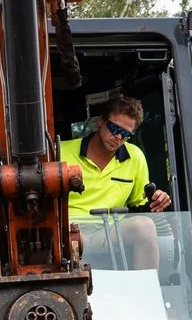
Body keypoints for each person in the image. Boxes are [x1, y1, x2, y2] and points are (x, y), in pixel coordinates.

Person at [61, 93, 170, 267]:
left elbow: (141, 200)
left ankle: (145, 292)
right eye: (115, 129)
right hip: (66, 228)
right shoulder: (61, 151)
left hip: (108, 231)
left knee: (145, 226)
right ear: (100, 122)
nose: (118, 138)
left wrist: (157, 198)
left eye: (126, 134)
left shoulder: (135, 157)